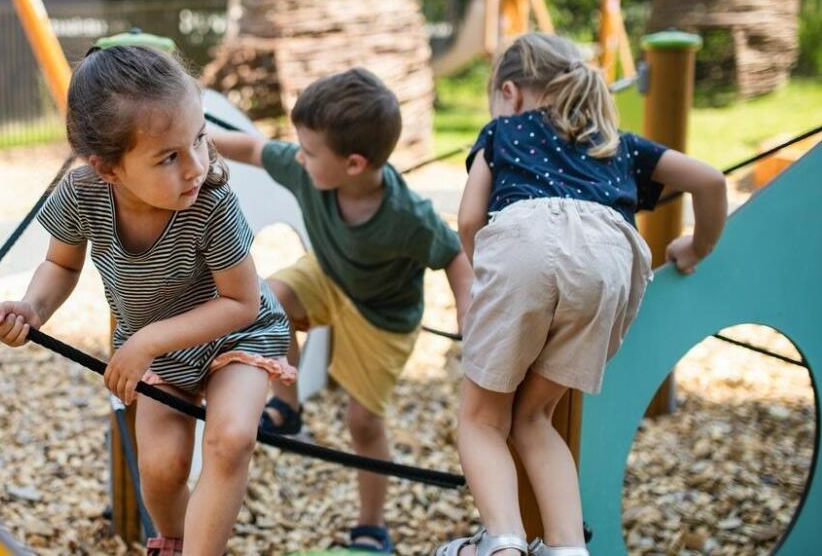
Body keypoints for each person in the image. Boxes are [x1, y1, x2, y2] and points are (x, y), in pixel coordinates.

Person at [0, 44, 295, 556]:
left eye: (199, 139)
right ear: (107, 168)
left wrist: (146, 341)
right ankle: (174, 542)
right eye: (169, 157)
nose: (195, 167)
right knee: (162, 468)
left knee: (231, 439)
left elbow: (240, 303)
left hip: (236, 335)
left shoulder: (212, 202)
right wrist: (32, 308)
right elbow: (61, 265)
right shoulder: (82, 194)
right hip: (160, 354)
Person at [438, 32, 727, 556]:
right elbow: (710, 181)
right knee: (534, 418)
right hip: (608, 261)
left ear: (510, 92)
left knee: (483, 418)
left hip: (524, 243)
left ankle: (502, 543)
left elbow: (470, 219)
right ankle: (568, 547)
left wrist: (491, 287)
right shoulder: (617, 142)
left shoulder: (503, 130)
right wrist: (696, 247)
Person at [213, 67, 473, 553]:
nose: (299, 156)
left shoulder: (407, 216)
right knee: (267, 300)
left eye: (310, 151)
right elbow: (251, 148)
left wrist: (468, 311)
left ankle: (372, 525)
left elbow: (453, 254)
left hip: (383, 317)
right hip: (330, 274)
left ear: (354, 164)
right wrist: (194, 141)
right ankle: (287, 407)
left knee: (362, 423)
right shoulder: (307, 168)